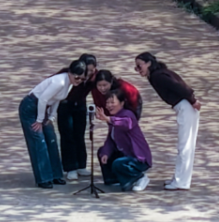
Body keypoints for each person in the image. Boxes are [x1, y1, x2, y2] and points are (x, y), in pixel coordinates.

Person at [134, 51, 200, 191]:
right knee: (185, 144)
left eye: (140, 66)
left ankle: (181, 181)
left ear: (148, 63)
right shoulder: (157, 74)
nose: (138, 70)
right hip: (183, 106)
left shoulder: (158, 76)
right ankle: (180, 178)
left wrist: (193, 101)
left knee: (185, 145)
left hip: (185, 106)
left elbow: (180, 87)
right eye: (136, 67)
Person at [19, 59, 88, 188]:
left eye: (82, 79)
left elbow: (57, 98)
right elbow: (43, 99)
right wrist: (39, 120)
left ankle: (56, 175)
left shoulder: (69, 84)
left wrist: (51, 116)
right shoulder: (60, 82)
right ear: (70, 73)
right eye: (77, 77)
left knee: (51, 139)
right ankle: (43, 178)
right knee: (39, 140)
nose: (78, 81)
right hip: (31, 106)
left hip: (44, 108)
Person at [96, 87, 152, 192]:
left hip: (137, 157)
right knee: (102, 151)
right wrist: (105, 153)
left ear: (122, 103)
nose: (109, 105)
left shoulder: (128, 114)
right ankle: (114, 180)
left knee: (118, 163)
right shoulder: (113, 118)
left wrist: (108, 119)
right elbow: (110, 139)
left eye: (112, 102)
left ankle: (140, 177)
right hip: (125, 154)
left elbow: (126, 123)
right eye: (107, 103)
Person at [56, 53, 97, 181]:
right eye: (87, 70)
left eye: (92, 70)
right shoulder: (68, 73)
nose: (89, 73)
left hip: (80, 105)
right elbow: (51, 83)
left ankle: (81, 165)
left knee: (79, 135)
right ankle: (70, 167)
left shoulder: (94, 77)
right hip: (65, 105)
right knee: (67, 135)